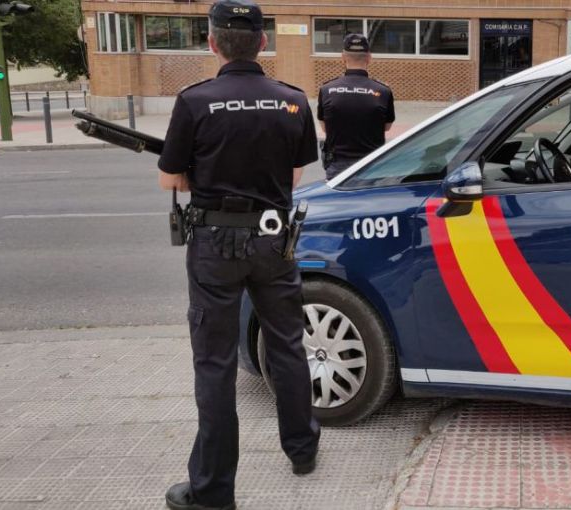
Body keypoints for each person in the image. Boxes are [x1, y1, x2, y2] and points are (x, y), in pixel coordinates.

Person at [156, 1, 320, 508]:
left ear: (212, 43)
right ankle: (302, 450)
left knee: (215, 363)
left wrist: (204, 175)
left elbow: (170, 179)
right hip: (274, 241)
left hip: (215, 245)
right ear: (262, 42)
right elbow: (294, 176)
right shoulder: (292, 100)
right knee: (287, 345)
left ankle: (212, 490)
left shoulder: (195, 101)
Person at [317, 33, 395, 180]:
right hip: (372, 164)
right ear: (369, 57)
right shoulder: (383, 91)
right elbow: (387, 127)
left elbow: (325, 127)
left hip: (338, 165)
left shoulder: (326, 89)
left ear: (343, 57)